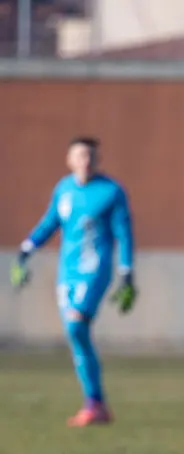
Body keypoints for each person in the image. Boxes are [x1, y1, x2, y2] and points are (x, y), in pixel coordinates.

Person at [11, 136, 137, 426]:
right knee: (75, 334)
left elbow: (124, 233)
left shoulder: (111, 191)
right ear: (70, 160)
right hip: (67, 273)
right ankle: (96, 404)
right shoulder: (64, 189)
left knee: (77, 323)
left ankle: (95, 402)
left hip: (96, 270)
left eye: (91, 156)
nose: (86, 161)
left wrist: (126, 272)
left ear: (97, 159)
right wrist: (25, 250)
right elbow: (50, 223)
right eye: (80, 156)